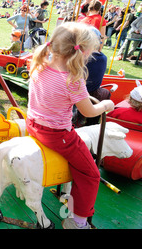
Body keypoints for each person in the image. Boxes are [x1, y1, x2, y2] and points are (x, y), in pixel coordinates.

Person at [26, 22, 115, 229]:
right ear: (82, 51)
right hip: (57, 134)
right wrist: (105, 104)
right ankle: (78, 222)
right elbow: (88, 112)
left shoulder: (39, 64)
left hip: (33, 124)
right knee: (91, 174)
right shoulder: (72, 80)